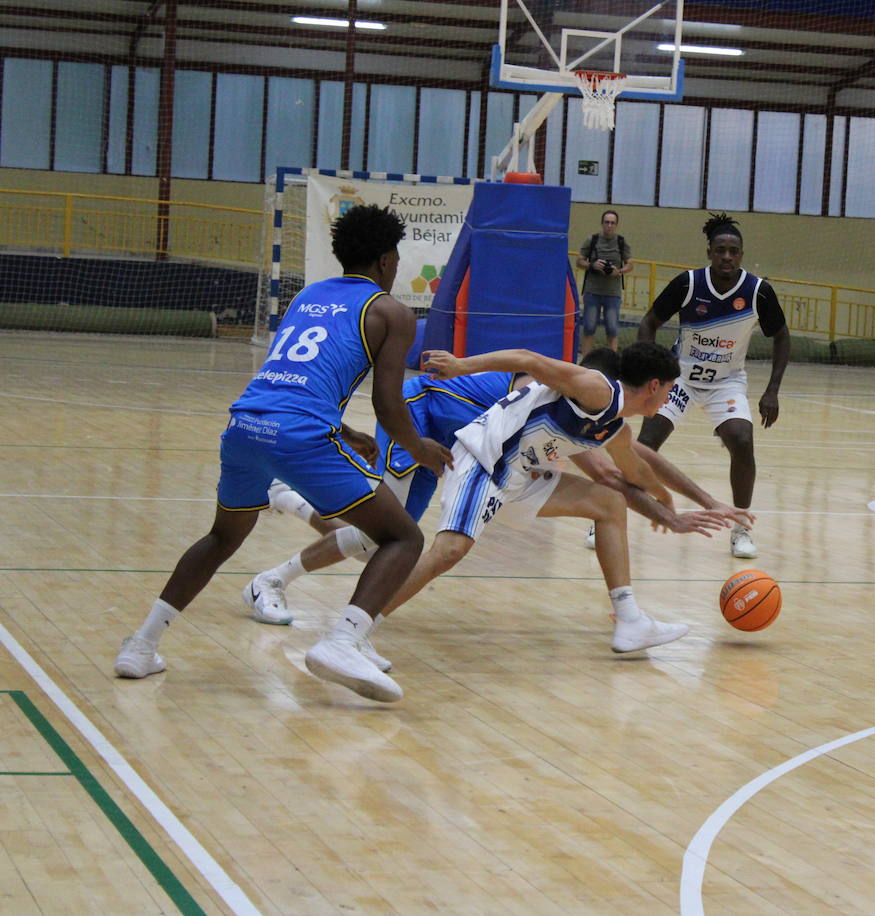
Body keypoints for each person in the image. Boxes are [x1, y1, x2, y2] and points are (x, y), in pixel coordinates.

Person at [113, 204, 453, 704]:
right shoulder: (390, 311)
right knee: (401, 536)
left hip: (245, 424)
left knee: (220, 537)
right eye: (397, 255)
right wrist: (419, 447)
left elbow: (293, 377)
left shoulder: (309, 296)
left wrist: (346, 429)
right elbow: (388, 401)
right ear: (385, 260)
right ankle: (343, 640)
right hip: (299, 437)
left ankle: (140, 646)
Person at [254, 350, 751, 672]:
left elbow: (630, 476)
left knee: (606, 502)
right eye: (669, 392)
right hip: (484, 457)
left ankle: (630, 620)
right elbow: (530, 359)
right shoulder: (598, 389)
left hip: (518, 478)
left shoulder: (613, 427)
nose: (670, 400)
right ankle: (349, 634)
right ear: (656, 386)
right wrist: (460, 366)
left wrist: (681, 512)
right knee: (444, 547)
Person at [628, 211, 790, 560]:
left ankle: (741, 528)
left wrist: (772, 389)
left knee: (742, 440)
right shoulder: (688, 284)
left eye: (734, 251)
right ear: (709, 252)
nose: (727, 256)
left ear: (741, 255)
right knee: (646, 444)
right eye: (721, 250)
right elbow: (649, 322)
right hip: (682, 376)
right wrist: (652, 372)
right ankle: (608, 515)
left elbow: (781, 336)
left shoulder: (758, 291)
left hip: (726, 381)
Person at [577, 210, 632, 359]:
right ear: (602, 223)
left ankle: (612, 362)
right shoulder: (592, 240)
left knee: (612, 328)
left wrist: (618, 271)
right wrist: (592, 265)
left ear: (616, 225)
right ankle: (585, 361)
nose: (609, 225)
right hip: (592, 290)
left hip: (612, 292)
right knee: (589, 327)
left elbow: (630, 264)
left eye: (612, 223)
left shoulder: (621, 242)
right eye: (606, 222)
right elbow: (580, 261)